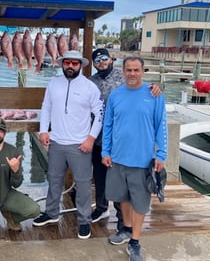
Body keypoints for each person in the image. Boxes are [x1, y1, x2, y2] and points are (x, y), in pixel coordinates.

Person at [102, 56, 167, 261]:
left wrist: (161, 154)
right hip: (118, 159)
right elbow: (108, 125)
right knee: (122, 197)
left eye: (136, 70)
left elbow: (161, 126)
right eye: (128, 70)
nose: (132, 74)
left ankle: (135, 242)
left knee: (140, 203)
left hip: (143, 161)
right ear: (123, 71)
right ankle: (126, 229)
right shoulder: (115, 95)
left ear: (143, 71)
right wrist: (105, 151)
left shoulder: (154, 94)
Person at [33, 50, 103, 239]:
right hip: (56, 141)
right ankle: (51, 213)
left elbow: (100, 114)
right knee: (54, 180)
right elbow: (46, 107)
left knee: (83, 185)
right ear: (62, 64)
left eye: (74, 63)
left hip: (80, 145)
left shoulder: (90, 87)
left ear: (80, 65)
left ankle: (84, 221)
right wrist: (43, 130)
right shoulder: (53, 83)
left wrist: (91, 138)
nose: (70, 66)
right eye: (67, 63)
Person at [89, 48, 161, 230]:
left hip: (123, 144)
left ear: (111, 59)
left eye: (104, 58)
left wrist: (157, 86)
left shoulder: (124, 78)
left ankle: (123, 221)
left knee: (125, 187)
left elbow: (142, 87)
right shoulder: (91, 82)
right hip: (100, 138)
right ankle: (101, 207)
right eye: (97, 60)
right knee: (100, 178)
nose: (101, 62)